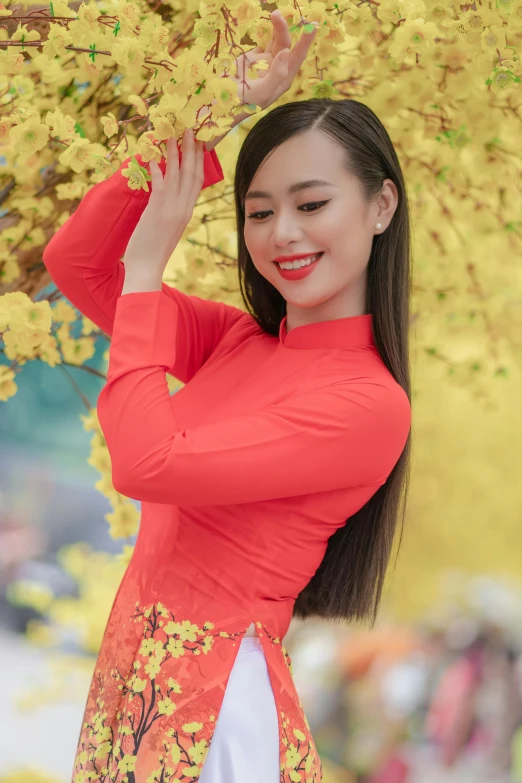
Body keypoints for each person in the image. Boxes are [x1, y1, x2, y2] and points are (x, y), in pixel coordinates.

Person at [42, 19, 412, 783]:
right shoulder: (238, 343)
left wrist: (149, 266)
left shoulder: (368, 405)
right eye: (260, 210)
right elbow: (76, 262)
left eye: (312, 204)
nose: (283, 233)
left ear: (381, 206)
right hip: (137, 682)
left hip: (212, 715)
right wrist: (209, 116)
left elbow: (147, 463)